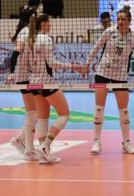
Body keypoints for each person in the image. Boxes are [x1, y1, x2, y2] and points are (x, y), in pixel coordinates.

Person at [18, 13, 84, 163]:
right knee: (64, 114)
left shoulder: (30, 39)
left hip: (33, 82)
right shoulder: (46, 39)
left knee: (43, 118)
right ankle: (45, 146)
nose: (50, 25)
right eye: (49, 22)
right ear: (44, 24)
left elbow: (25, 62)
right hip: (47, 82)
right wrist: (73, 66)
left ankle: (43, 154)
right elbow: (52, 63)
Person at [82, 8, 134, 156]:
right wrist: (86, 64)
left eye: (123, 19)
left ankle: (126, 142)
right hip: (103, 72)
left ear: (129, 21)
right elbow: (95, 48)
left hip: (120, 76)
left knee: (124, 110)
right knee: (99, 108)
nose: (120, 22)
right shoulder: (109, 32)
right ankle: (96, 141)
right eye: (118, 19)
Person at [8, 6, 39, 157]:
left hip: (31, 75)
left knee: (35, 112)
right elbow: (15, 53)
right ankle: (28, 149)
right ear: (31, 18)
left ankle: (20, 140)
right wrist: (11, 72)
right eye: (35, 16)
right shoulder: (25, 32)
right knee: (33, 112)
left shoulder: (31, 32)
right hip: (24, 76)